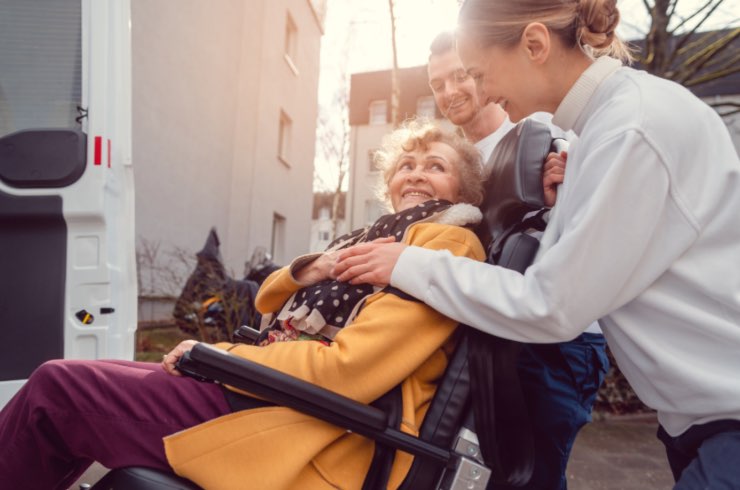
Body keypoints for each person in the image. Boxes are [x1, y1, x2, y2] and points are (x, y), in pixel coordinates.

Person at [333, 1, 740, 488]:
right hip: (697, 421)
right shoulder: (602, 130)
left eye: (480, 74)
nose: (481, 93)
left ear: (534, 45)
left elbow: (550, 303)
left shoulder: (632, 127)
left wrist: (409, 263)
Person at [0, 121, 488, 490]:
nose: (416, 175)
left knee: (56, 391)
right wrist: (308, 270)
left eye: (435, 166)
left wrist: (222, 360)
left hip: (311, 424)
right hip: (273, 392)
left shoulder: (443, 244)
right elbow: (266, 300)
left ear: (462, 189)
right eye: (407, 165)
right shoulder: (376, 236)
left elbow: (347, 370)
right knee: (66, 378)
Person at [428, 29, 608, 490]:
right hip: (495, 333)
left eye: (461, 76)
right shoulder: (456, 162)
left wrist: (561, 196)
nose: (450, 92)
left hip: (557, 341)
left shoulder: (542, 132)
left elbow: (599, 224)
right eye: (436, 85)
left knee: (535, 478)